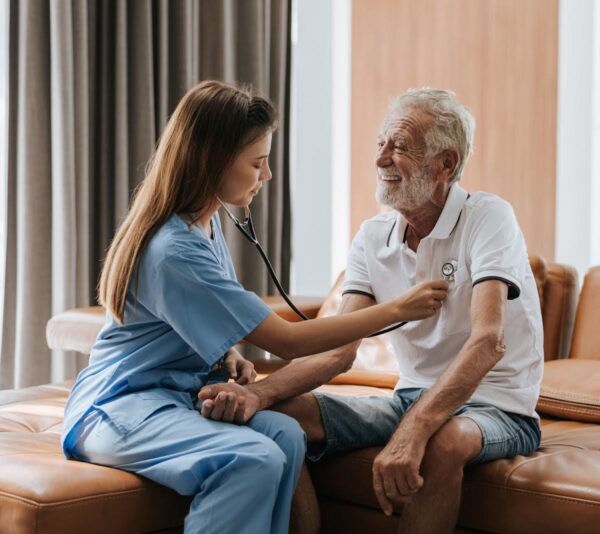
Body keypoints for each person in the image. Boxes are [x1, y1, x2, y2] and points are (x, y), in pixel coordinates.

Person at [60, 80, 449, 534]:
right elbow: (286, 340)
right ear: (213, 162)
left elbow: (186, 322)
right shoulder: (174, 250)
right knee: (253, 458)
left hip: (173, 400)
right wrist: (398, 308)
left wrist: (229, 357)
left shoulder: (205, 227)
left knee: (284, 436)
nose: (266, 176)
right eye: (258, 163)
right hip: (118, 409)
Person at [199, 88, 544, 534]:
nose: (381, 158)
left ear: (446, 164)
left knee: (445, 440)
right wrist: (258, 395)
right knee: (277, 416)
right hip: (408, 398)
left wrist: (414, 430)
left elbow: (488, 340)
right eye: (380, 143)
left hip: (497, 407)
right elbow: (339, 352)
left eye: (399, 147)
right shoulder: (372, 235)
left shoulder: (488, 217)